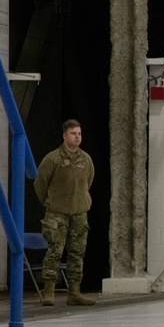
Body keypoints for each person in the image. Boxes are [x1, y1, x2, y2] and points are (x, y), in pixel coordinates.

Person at [34, 119, 96, 306]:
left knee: (77, 253)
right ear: (64, 136)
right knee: (55, 251)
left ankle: (74, 292)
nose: (77, 136)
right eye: (73, 133)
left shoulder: (86, 159)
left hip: (79, 213)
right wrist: (51, 201)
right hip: (57, 213)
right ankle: (49, 292)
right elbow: (40, 184)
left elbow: (89, 182)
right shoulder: (53, 158)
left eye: (79, 133)